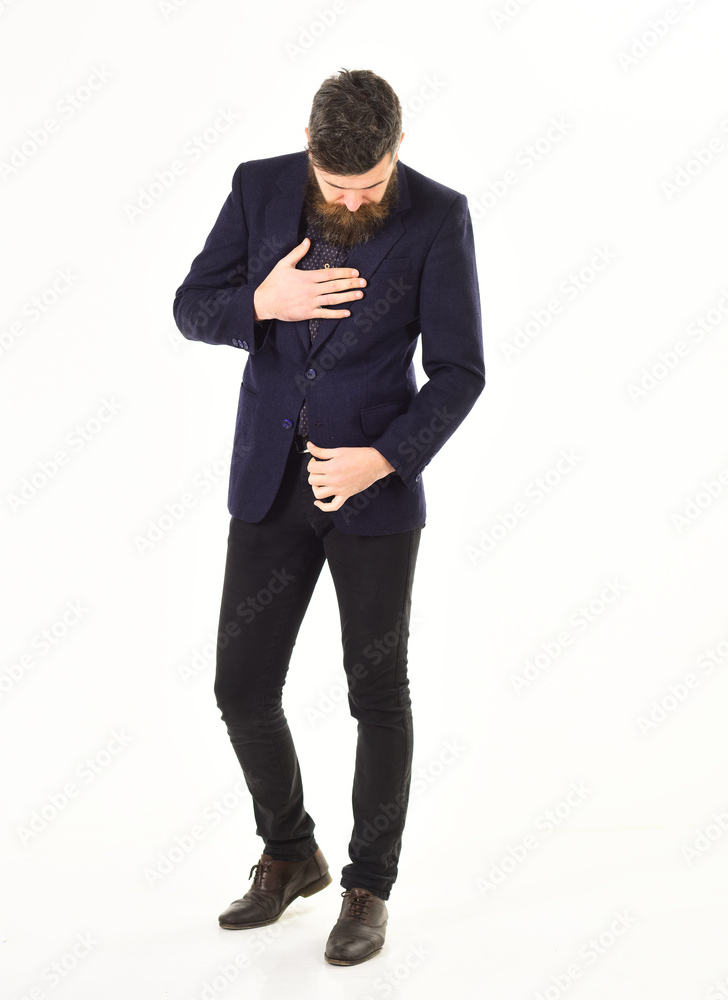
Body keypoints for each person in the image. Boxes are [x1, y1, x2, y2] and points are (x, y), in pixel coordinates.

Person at [172, 67, 484, 966]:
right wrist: (260, 303)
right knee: (240, 689)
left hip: (373, 493)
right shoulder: (257, 187)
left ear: (398, 148)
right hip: (269, 483)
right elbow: (191, 308)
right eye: (334, 184)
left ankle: (367, 886)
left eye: (370, 184)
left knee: (375, 693)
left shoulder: (439, 215)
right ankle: (289, 852)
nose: (351, 200)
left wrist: (381, 458)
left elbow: (460, 371)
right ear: (308, 148)